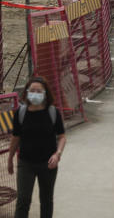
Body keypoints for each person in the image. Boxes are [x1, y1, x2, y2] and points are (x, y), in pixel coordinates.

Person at [9, 76, 66, 218]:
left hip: (48, 164)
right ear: (27, 92)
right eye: (32, 90)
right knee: (23, 200)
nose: (35, 93)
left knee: (46, 200)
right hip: (26, 163)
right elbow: (16, 138)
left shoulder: (53, 113)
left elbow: (62, 137)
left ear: (45, 93)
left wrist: (57, 154)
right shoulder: (20, 114)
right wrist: (10, 158)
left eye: (39, 91)